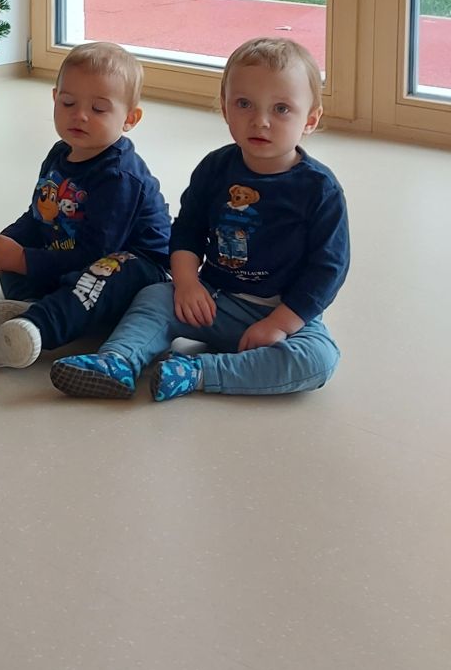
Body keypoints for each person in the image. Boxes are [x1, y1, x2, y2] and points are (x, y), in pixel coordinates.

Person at [51, 36, 347, 401]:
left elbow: (328, 269)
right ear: (225, 108)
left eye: (281, 109)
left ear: (311, 119)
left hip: (284, 313)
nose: (260, 121)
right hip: (211, 301)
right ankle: (117, 361)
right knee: (154, 298)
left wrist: (279, 323)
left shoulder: (319, 188)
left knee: (319, 359)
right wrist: (187, 283)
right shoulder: (215, 168)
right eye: (244, 104)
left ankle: (196, 372)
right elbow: (187, 232)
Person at [0, 41, 170, 370]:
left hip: (135, 264)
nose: (79, 115)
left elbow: (95, 253)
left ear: (129, 118)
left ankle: (36, 328)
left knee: (101, 274)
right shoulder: (59, 154)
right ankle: (32, 305)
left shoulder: (119, 176)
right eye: (68, 103)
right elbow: (39, 217)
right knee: (16, 252)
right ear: (55, 99)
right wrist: (8, 242)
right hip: (72, 251)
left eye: (99, 109)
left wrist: (24, 260)